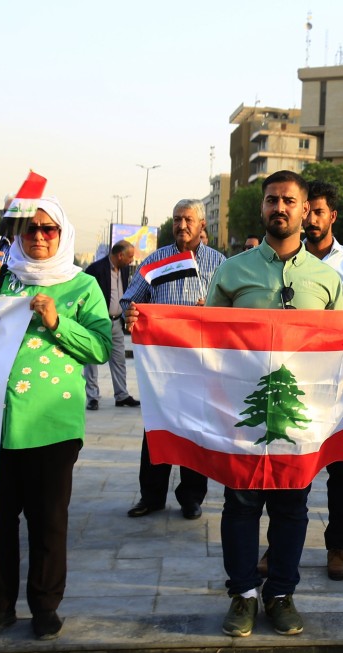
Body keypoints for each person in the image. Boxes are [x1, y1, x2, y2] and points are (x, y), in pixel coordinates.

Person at [0, 197, 112, 641]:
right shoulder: (0, 278)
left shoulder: (82, 287)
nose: (40, 237)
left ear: (63, 234)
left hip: (51, 423)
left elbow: (101, 347)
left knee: (48, 521)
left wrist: (56, 322)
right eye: (31, 229)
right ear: (18, 234)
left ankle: (45, 606)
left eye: (49, 230)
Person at [207, 170, 343, 638]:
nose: (279, 208)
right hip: (243, 414)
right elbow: (202, 338)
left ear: (306, 210)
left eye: (289, 200)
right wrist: (150, 323)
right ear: (262, 207)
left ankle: (281, 594)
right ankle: (243, 595)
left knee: (291, 508)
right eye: (271, 200)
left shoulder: (327, 280)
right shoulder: (232, 271)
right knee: (240, 504)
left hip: (300, 416)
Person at [122, 199, 225, 520]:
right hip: (162, 368)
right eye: (177, 219)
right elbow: (129, 300)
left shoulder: (220, 264)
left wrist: (210, 310)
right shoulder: (156, 262)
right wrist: (133, 312)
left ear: (202, 224)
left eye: (188, 220)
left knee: (196, 432)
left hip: (202, 367)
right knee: (157, 430)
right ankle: (151, 496)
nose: (182, 225)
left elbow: (232, 309)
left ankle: (191, 497)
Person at [302, 179, 343, 580]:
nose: (310, 219)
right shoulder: (286, 258)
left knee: (338, 469)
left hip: (338, 380)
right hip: (295, 379)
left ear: (332, 216)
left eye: (317, 212)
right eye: (306, 211)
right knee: (292, 467)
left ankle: (336, 547)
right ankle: (279, 545)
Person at [83, 240, 139, 410]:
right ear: (120, 255)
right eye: (129, 256)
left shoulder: (124, 270)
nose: (131, 260)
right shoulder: (95, 269)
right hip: (97, 323)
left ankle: (121, 395)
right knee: (91, 360)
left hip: (116, 322)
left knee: (119, 359)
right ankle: (92, 396)